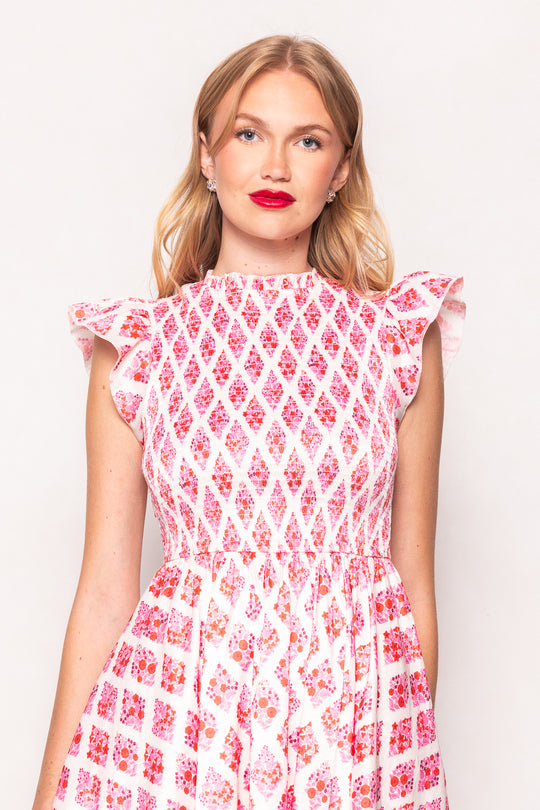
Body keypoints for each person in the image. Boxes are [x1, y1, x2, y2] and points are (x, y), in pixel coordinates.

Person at [33, 34, 465, 810]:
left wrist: (399, 767)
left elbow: (413, 589)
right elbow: (103, 593)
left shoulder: (398, 337)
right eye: (248, 133)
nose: (276, 167)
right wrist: (45, 797)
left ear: (341, 170)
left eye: (309, 141)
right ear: (207, 153)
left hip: (351, 735)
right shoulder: (139, 346)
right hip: (176, 736)